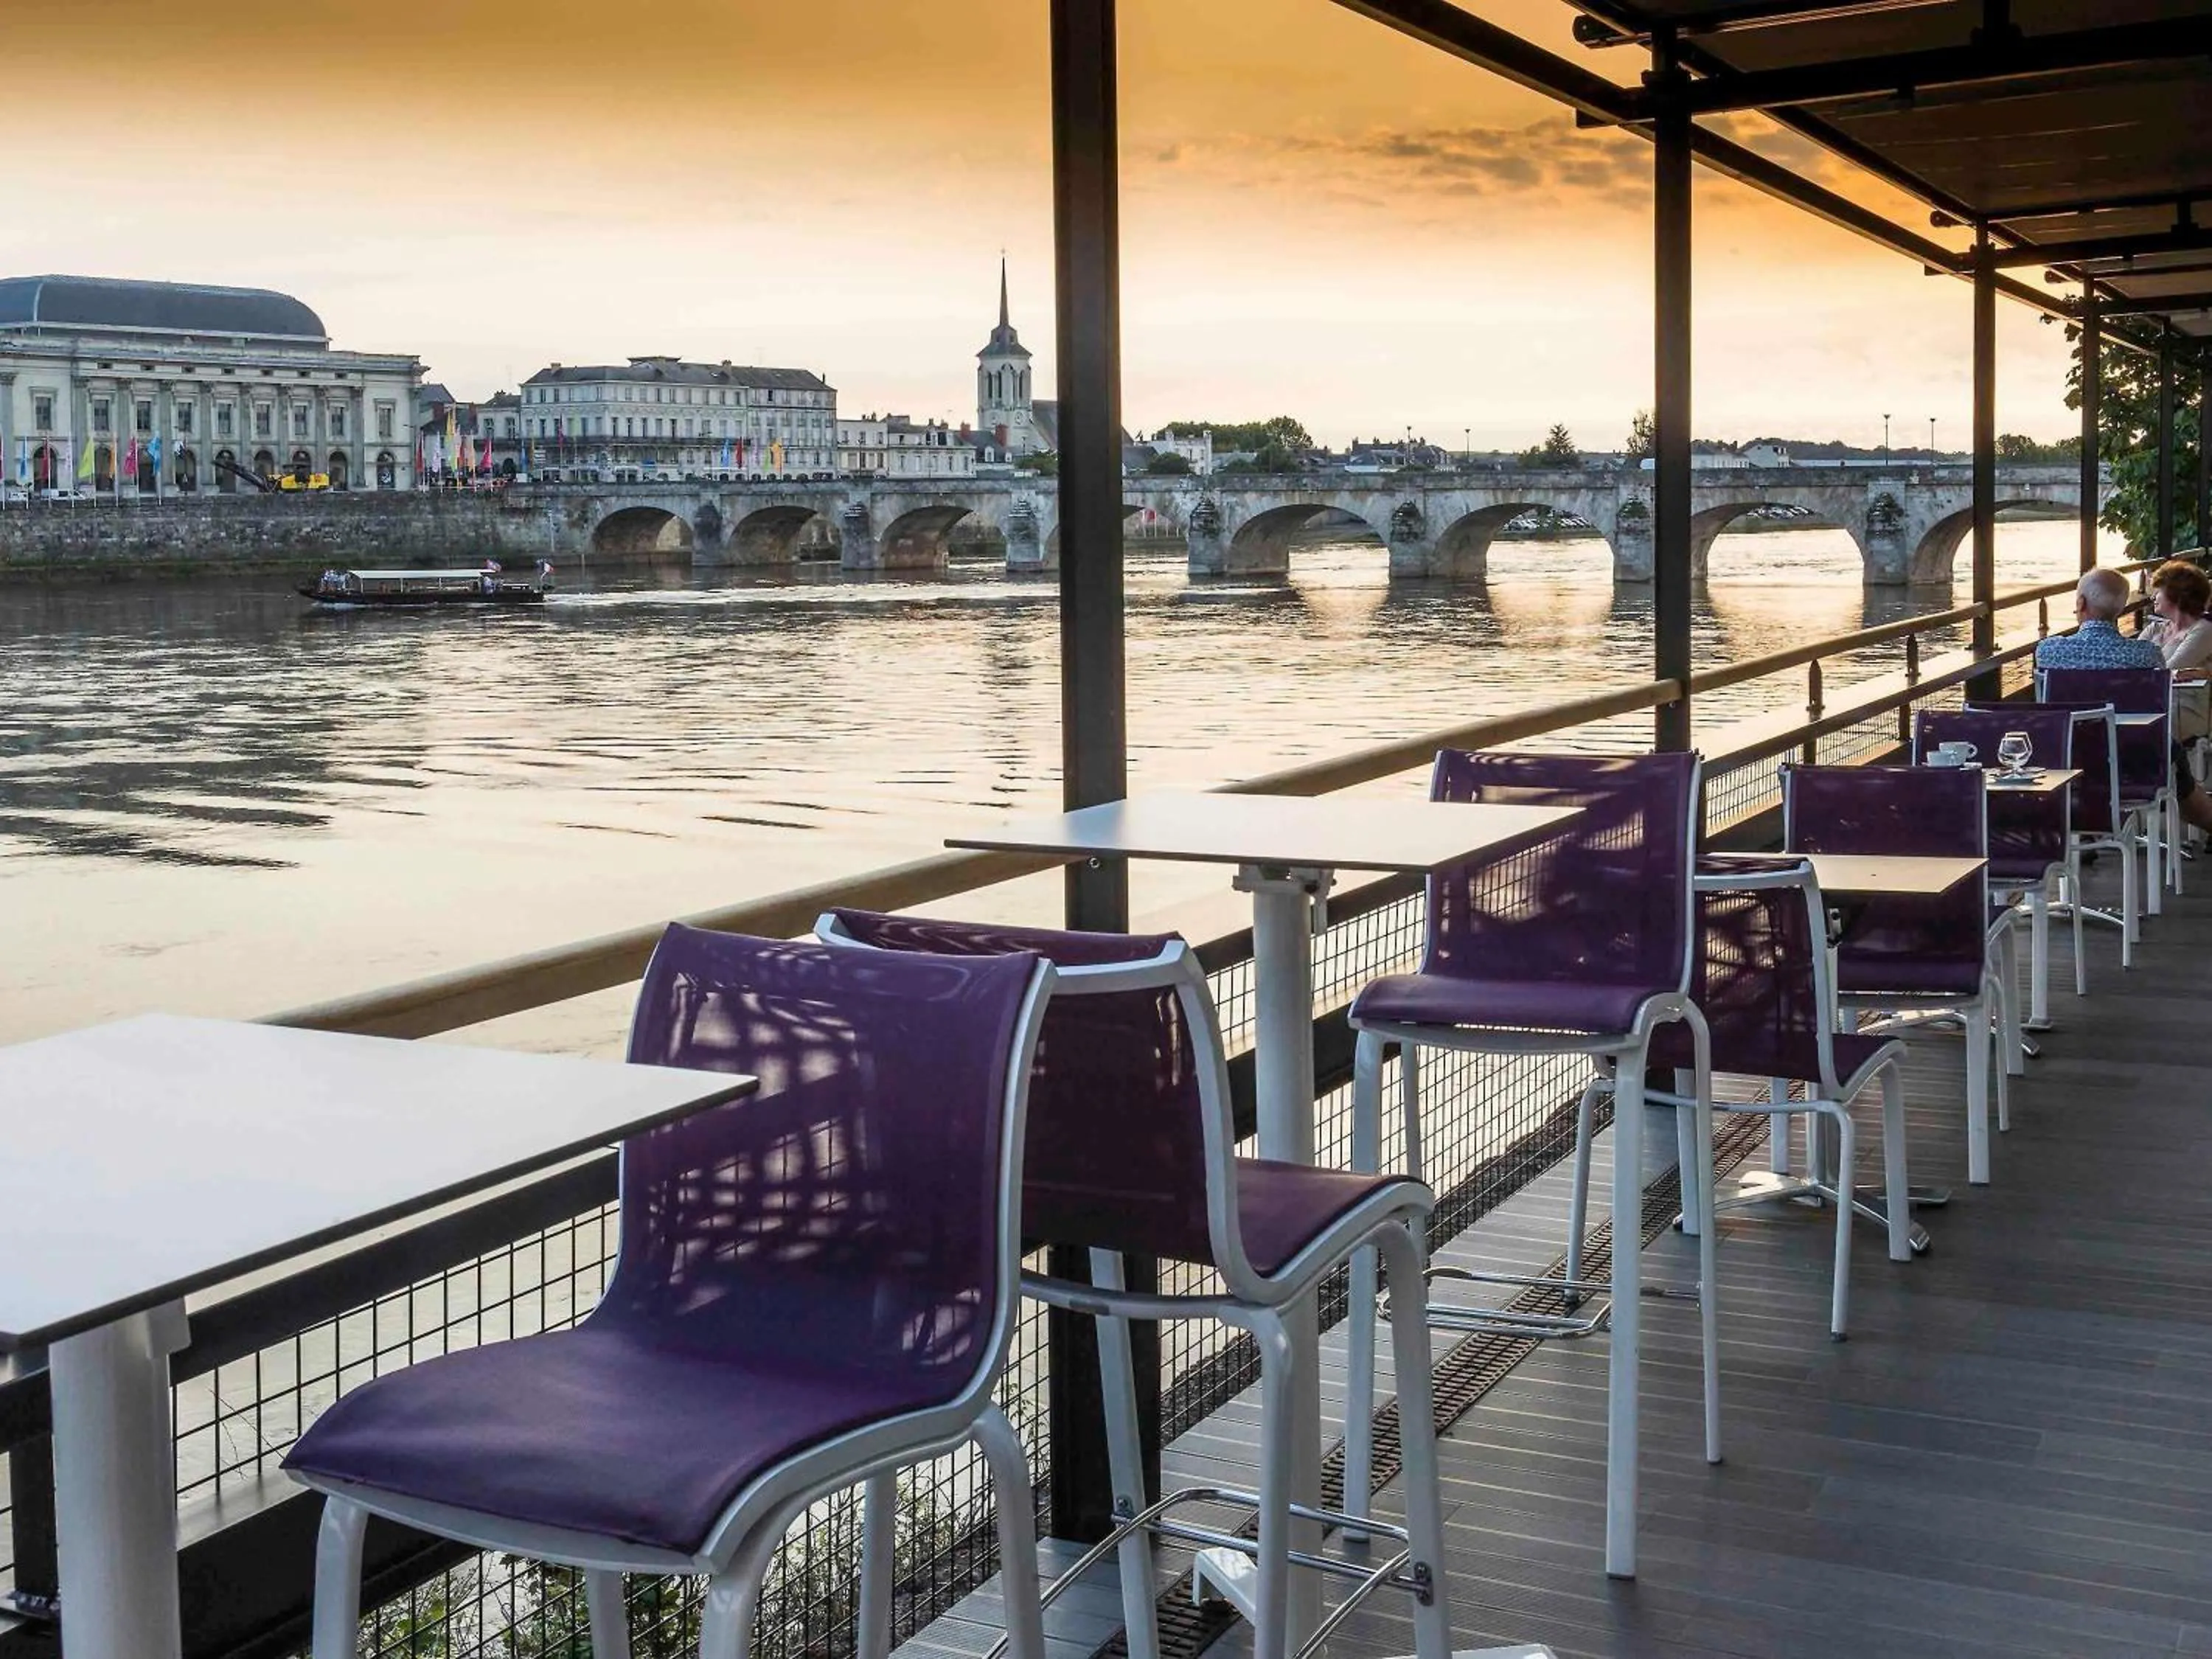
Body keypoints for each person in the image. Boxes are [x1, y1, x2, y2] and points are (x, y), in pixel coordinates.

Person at [2034, 567, 2165, 671]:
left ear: (2081, 603)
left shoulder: (2049, 651)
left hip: (2073, 706)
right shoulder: (2148, 655)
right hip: (2126, 705)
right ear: (2121, 608)